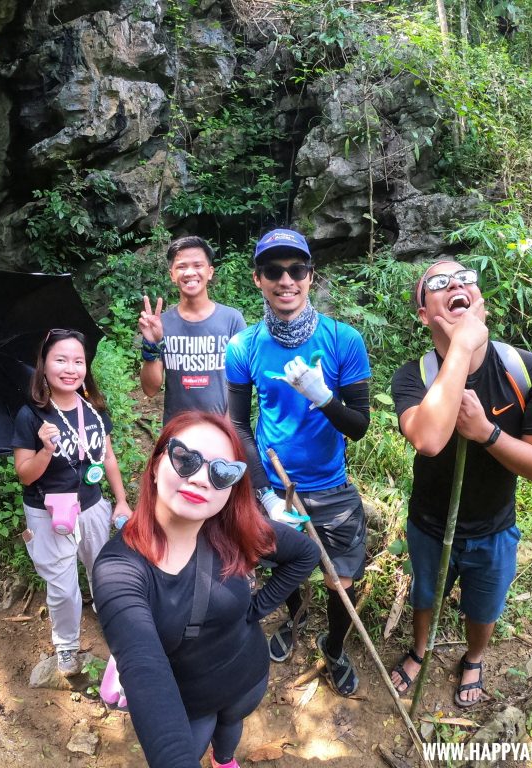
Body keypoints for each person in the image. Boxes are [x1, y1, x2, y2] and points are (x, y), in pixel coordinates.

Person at [93, 412, 318, 768]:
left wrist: (259, 608)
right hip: (188, 703)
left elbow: (306, 554)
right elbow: (145, 669)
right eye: (186, 459)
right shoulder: (119, 570)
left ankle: (224, 760)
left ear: (232, 486)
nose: (200, 479)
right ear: (155, 465)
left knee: (230, 732)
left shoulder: (233, 528)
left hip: (246, 678)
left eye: (221, 472)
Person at [389, 260, 532, 707]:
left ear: (478, 298)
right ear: (425, 314)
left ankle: (474, 658)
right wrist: (462, 349)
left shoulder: (525, 370)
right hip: (429, 522)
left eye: (464, 278)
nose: (455, 285)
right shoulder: (414, 377)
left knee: (483, 607)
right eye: (439, 284)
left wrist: (487, 432)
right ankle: (419, 650)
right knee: (425, 595)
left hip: (494, 526)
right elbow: (427, 439)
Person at [225, 228, 373, 697]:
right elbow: (239, 426)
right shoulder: (243, 347)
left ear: (310, 276)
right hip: (277, 488)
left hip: (332, 487)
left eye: (296, 270)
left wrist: (324, 397)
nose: (285, 280)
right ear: (258, 279)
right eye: (274, 270)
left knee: (341, 580)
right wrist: (265, 493)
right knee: (282, 567)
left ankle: (333, 645)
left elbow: (359, 425)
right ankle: (295, 619)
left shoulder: (343, 339)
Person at [12, 328, 133, 675]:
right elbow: (24, 474)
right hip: (47, 512)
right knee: (63, 589)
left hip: (93, 505)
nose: (70, 368)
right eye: (60, 359)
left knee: (106, 574)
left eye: (78, 360)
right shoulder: (31, 416)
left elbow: (107, 457)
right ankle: (66, 646)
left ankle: (114, 627)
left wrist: (121, 501)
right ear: (44, 366)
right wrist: (46, 450)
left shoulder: (93, 409)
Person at [139, 236, 246, 423]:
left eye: (198, 265)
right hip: (177, 436)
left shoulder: (231, 320)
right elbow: (150, 389)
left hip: (221, 433)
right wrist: (152, 344)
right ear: (172, 274)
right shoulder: (160, 324)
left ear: (210, 271)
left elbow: (242, 384)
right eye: (181, 266)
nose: (190, 272)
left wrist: (230, 433)